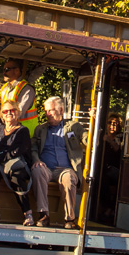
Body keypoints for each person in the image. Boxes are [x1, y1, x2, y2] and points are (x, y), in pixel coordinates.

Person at [30, 96, 86, 228]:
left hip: (65, 168)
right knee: (37, 170)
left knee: (68, 178)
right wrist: (37, 160)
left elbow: (87, 139)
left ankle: (69, 219)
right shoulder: (40, 129)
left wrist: (95, 120)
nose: (48, 114)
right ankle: (44, 215)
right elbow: (33, 147)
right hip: (46, 168)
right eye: (46, 111)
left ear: (61, 110)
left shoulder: (73, 127)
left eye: (51, 110)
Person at [0, 100, 35, 224]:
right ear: (1, 114)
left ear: (18, 113)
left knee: (16, 176)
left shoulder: (23, 131)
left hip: (15, 164)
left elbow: (17, 150)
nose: (9, 113)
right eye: (5, 111)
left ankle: (28, 213)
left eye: (12, 110)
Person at [0, 58, 37, 132]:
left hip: (26, 133)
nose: (4, 73)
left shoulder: (26, 89)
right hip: (10, 129)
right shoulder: (5, 88)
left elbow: (18, 112)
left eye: (7, 70)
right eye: (3, 70)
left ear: (16, 71)